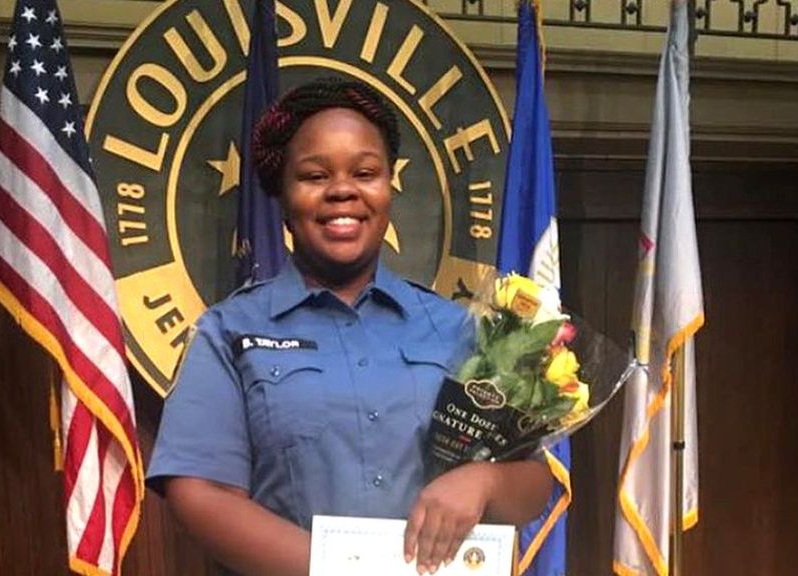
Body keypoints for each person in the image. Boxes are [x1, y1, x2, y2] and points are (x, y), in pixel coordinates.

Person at [146, 78, 552, 576]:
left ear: (388, 187)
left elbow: (534, 484)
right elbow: (200, 494)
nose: (343, 190)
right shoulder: (229, 331)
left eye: (365, 172)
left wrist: (484, 483)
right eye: (314, 176)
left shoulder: (456, 330)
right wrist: (340, 570)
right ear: (282, 196)